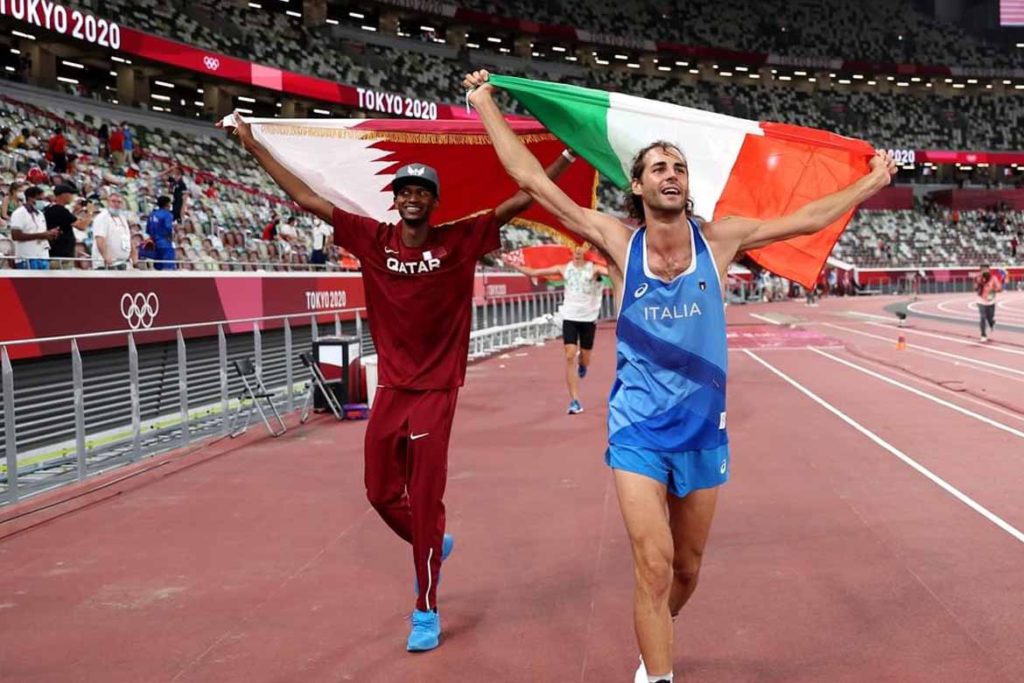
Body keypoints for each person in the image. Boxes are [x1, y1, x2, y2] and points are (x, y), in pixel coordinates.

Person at [465, 69, 897, 683]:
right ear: (636, 185)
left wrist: (870, 181)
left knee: (688, 569)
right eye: (659, 168)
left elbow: (805, 219)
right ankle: (660, 673)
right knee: (654, 561)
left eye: (680, 168)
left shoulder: (720, 241)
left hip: (702, 431)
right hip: (638, 427)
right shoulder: (619, 241)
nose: (672, 175)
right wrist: (485, 103)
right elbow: (531, 180)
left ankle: (654, 637)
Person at [226, 110, 574, 652]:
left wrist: (569, 157)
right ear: (395, 199)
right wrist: (252, 145)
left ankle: (426, 609)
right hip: (391, 388)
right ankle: (433, 543)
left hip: (437, 392)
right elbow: (306, 199)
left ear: (435, 203)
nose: (413, 197)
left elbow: (519, 200)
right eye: (404, 190)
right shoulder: (372, 238)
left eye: (422, 192)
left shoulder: (459, 239)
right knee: (380, 492)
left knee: (426, 495)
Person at [505, 245, 608, 414]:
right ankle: (575, 400)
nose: (576, 254)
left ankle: (583, 364)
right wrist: (511, 263)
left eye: (579, 251)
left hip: (588, 319)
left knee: (585, 357)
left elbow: (612, 272)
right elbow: (533, 272)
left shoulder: (594, 269)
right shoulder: (564, 268)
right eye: (574, 251)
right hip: (569, 317)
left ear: (585, 253)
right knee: (569, 355)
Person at [45, 184, 94, 269]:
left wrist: (75, 211)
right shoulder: (60, 210)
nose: (72, 197)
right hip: (61, 257)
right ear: (64, 195)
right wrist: (90, 212)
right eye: (71, 194)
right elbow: (82, 226)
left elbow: (66, 221)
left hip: (54, 254)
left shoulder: (50, 208)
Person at [9, 186, 57, 269]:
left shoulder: (40, 214)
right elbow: (15, 235)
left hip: (43, 256)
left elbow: (42, 233)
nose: (43, 202)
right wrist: (41, 235)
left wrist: (50, 234)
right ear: (31, 198)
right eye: (40, 199)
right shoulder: (19, 213)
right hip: (27, 257)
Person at [91, 193, 133, 270]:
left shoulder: (122, 218)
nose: (116, 204)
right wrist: (105, 256)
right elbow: (100, 239)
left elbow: (128, 238)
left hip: (122, 263)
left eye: (119, 202)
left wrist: (132, 255)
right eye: (113, 201)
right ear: (108, 203)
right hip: (105, 264)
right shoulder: (102, 217)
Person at [146, 195, 176, 270]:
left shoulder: (152, 215)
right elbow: (168, 229)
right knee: (167, 270)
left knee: (157, 270)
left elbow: (148, 230)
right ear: (167, 204)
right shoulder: (168, 215)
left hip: (154, 245)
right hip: (165, 244)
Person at [975, 264, 1002, 342]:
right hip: (981, 300)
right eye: (983, 269)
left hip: (991, 300)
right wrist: (979, 284)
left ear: (989, 270)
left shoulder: (993, 278)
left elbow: (999, 288)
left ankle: (992, 323)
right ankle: (983, 334)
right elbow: (975, 288)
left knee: (990, 318)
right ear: (980, 270)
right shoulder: (978, 278)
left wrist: (994, 290)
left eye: (986, 269)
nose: (984, 271)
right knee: (982, 317)